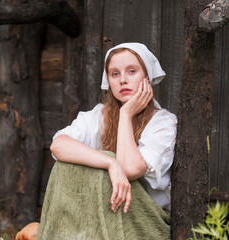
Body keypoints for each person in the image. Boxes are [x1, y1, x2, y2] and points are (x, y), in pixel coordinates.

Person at [16, 42, 177, 240]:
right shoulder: (99, 115)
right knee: (65, 164)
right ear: (108, 80)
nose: (123, 80)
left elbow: (129, 169)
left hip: (145, 222)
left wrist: (126, 115)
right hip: (100, 215)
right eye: (115, 74)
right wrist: (110, 163)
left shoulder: (163, 122)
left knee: (100, 165)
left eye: (132, 71)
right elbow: (58, 145)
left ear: (147, 78)